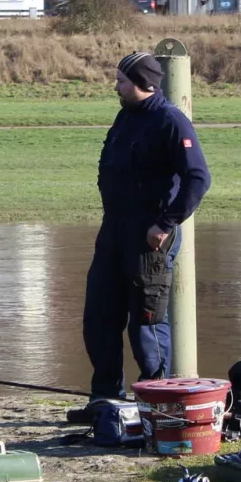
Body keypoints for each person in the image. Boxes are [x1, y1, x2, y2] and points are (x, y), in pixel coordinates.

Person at [77, 52, 212, 412]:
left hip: (150, 237)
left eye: (121, 80)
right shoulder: (125, 116)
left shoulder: (171, 121)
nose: (116, 86)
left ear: (144, 84)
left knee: (146, 325)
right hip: (113, 232)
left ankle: (157, 402)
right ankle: (106, 399)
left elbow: (198, 178)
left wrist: (165, 224)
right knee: (99, 318)